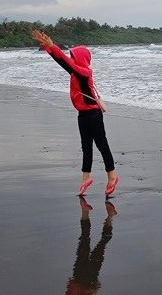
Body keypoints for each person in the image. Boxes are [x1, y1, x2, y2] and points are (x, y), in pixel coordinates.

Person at [31, 29, 119, 196]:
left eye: (74, 56)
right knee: (86, 147)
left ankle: (112, 176)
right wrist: (49, 48)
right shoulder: (75, 73)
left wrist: (53, 47)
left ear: (80, 59)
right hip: (83, 115)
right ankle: (86, 179)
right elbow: (64, 63)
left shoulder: (84, 73)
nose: (71, 59)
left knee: (102, 146)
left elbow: (67, 63)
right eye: (71, 56)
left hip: (94, 115)